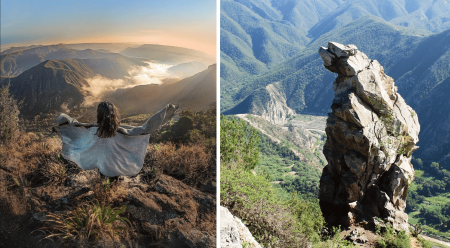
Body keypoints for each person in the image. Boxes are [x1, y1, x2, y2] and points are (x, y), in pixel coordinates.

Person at [54, 101, 177, 177]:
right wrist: (166, 111)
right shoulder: (122, 132)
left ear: (99, 115)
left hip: (102, 167)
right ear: (114, 114)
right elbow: (145, 128)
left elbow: (74, 124)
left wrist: (63, 124)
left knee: (103, 167)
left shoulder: (92, 130)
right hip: (117, 168)